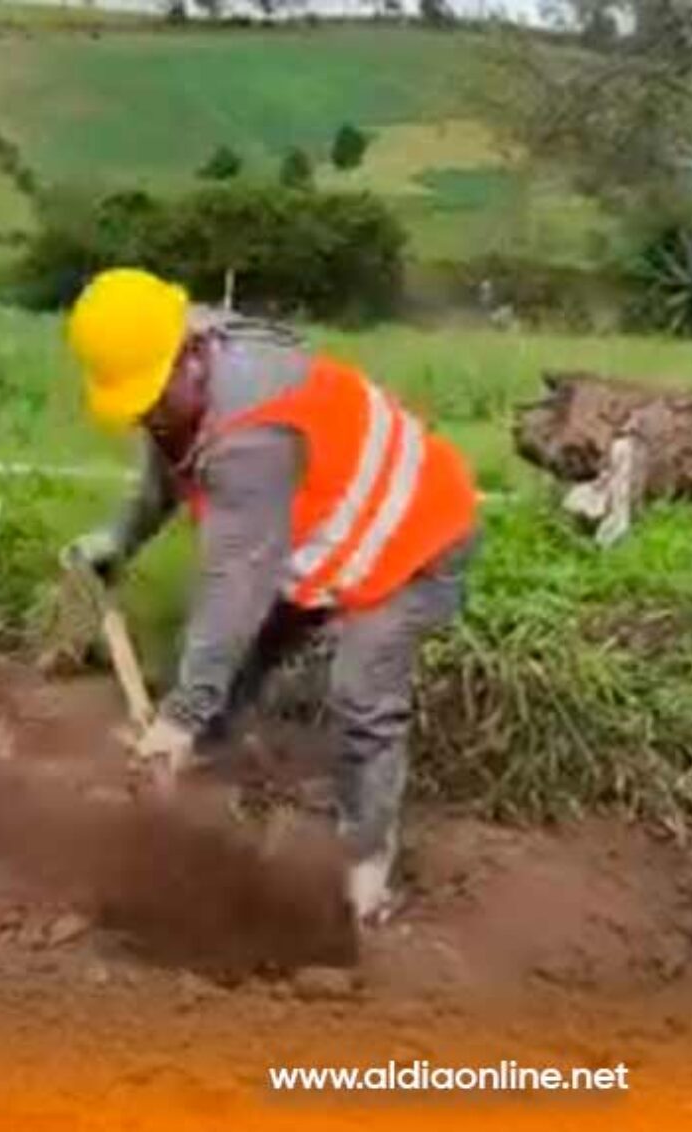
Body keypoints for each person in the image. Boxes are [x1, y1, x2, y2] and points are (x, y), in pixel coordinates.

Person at [62, 268, 479, 923]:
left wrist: (181, 709)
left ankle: (366, 868)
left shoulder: (252, 430)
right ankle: (194, 771)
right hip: (316, 532)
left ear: (191, 356)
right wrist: (120, 540)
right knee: (228, 662)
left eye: (151, 400)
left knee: (361, 692)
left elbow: (237, 581)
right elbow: (170, 467)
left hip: (413, 535)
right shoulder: (183, 381)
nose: (148, 416)